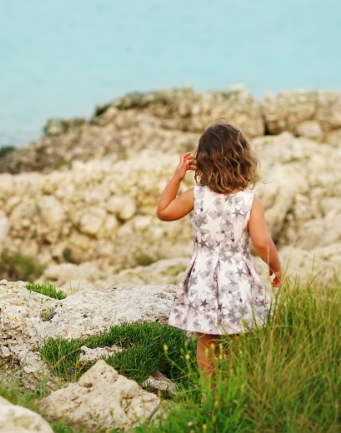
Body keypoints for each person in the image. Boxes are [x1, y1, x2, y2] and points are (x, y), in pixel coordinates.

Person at [156, 121, 282, 378]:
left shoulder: (196, 196)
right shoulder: (249, 201)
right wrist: (275, 266)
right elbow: (261, 242)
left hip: (203, 274)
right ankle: (233, 389)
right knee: (238, 337)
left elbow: (164, 212)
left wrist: (177, 176)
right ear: (243, 161)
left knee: (207, 339)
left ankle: (210, 394)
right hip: (237, 277)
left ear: (202, 162)